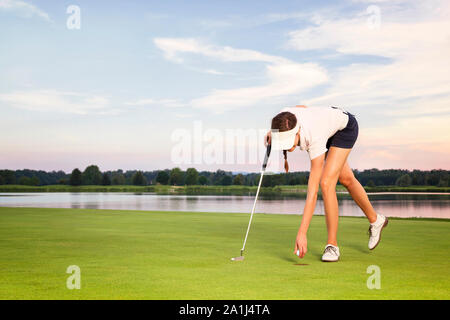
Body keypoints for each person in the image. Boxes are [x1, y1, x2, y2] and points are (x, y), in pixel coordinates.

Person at [265, 105, 388, 262]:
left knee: (326, 183)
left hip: (345, 128)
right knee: (346, 179)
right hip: (328, 129)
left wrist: (302, 233)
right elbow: (302, 107)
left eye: (289, 142)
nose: (288, 147)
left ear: (297, 131)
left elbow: (312, 193)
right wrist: (272, 135)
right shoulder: (284, 117)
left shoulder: (314, 137)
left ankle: (332, 246)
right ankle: (376, 220)